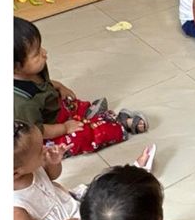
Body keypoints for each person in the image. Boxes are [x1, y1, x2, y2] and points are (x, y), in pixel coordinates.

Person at [14, 17, 147, 157]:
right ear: (15, 68)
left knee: (69, 103)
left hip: (51, 110)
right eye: (36, 54)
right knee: (80, 137)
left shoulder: (31, 70)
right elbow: (38, 131)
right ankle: (119, 125)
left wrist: (60, 86)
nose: (44, 52)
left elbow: (44, 84)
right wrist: (64, 128)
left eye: (40, 47)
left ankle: (87, 114)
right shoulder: (21, 104)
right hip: (44, 133)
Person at [13, 120, 84, 220]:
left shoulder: (27, 167)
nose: (45, 148)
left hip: (59, 205)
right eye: (40, 151)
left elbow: (50, 177)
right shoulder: (15, 208)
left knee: (96, 202)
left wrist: (54, 163)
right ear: (15, 173)